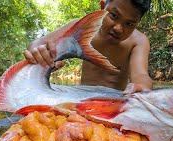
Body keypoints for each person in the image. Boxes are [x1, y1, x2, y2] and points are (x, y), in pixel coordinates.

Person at [24, 0, 153, 94]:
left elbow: (141, 75)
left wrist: (141, 86)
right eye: (114, 16)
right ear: (102, 6)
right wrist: (41, 54)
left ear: (137, 23)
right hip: (81, 98)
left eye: (129, 23)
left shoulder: (138, 41)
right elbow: (37, 44)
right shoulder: (82, 28)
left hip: (114, 102)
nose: (118, 28)